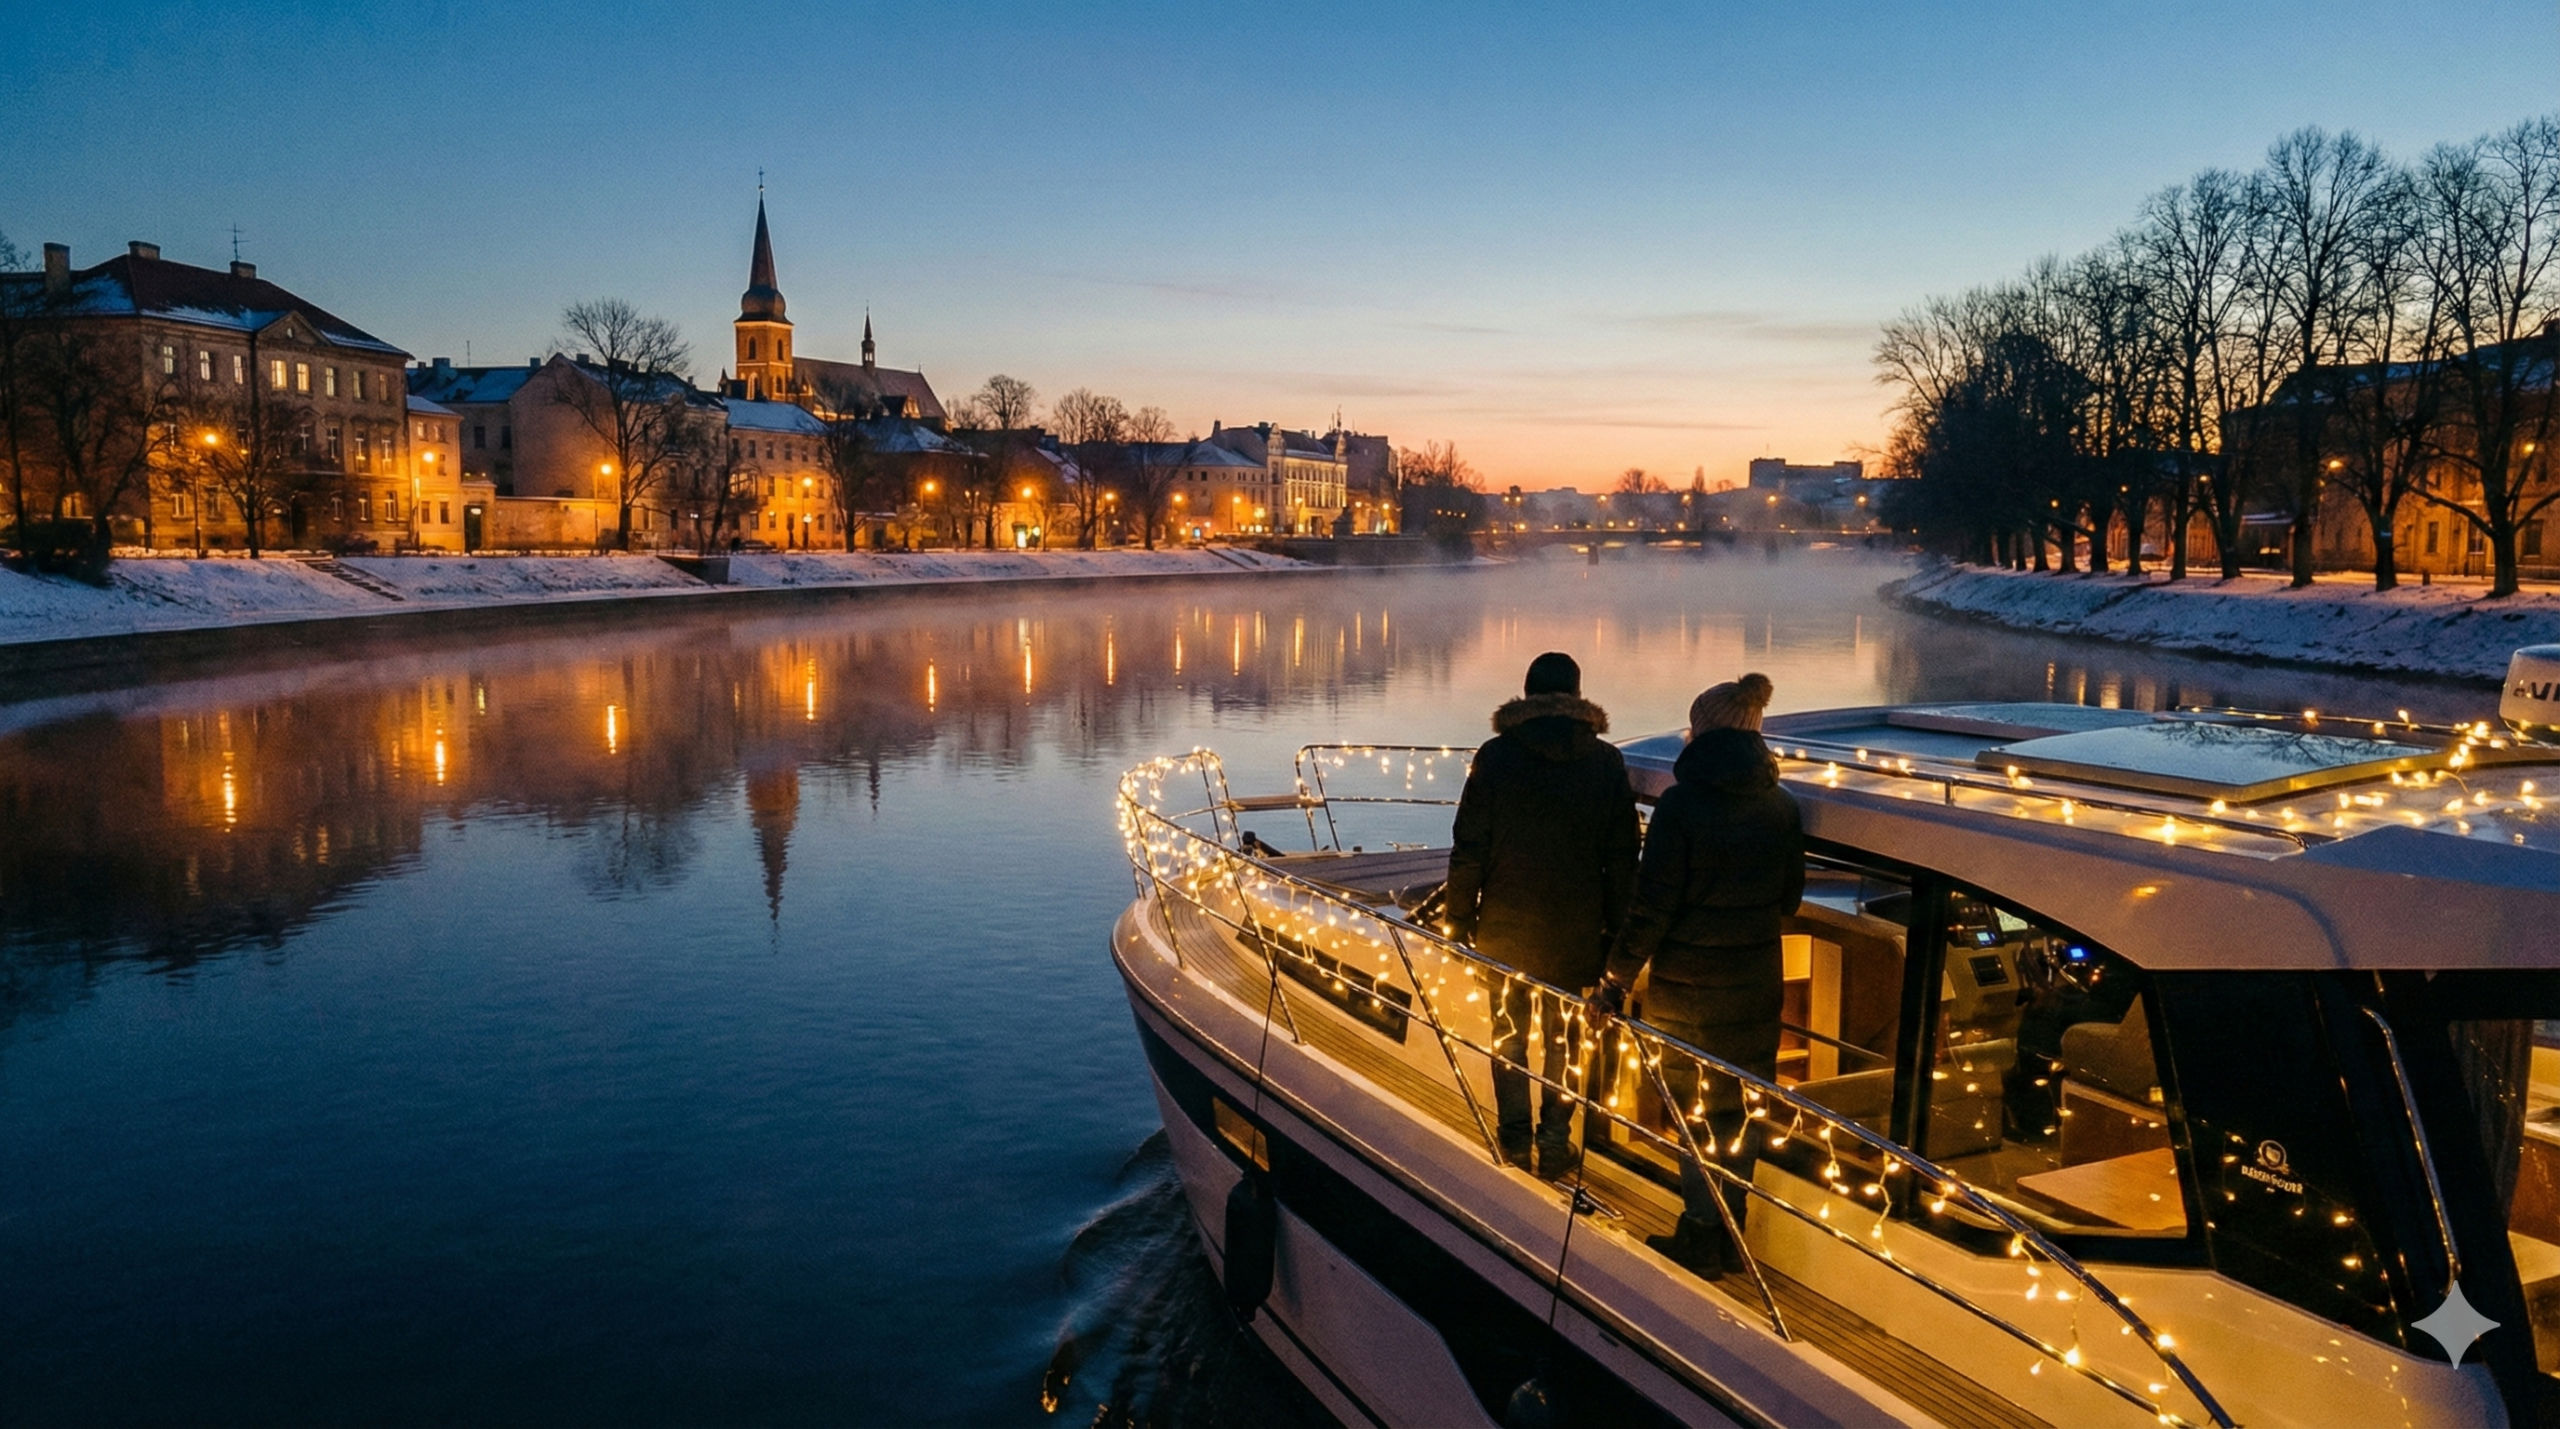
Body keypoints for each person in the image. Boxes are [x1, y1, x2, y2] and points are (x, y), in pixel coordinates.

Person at [1594, 673, 1804, 1278]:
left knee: (1694, 1117)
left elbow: (1651, 906)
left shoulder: (1682, 805)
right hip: (1756, 987)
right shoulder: (1781, 805)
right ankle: (1731, 1238)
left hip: (1687, 991)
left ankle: (1698, 1235)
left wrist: (1615, 979)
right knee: (1737, 1117)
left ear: (1703, 731)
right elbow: (1789, 899)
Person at [1443, 652, 1640, 1177]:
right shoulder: (1605, 762)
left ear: (1526, 695)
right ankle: (1555, 1143)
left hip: (1506, 930)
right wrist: (1620, 938)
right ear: (1577, 697)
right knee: (1564, 1043)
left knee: (1509, 1038)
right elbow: (1623, 857)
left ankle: (1513, 1142)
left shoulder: (1496, 757)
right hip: (1577, 933)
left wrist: (1458, 922)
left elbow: (1469, 849)